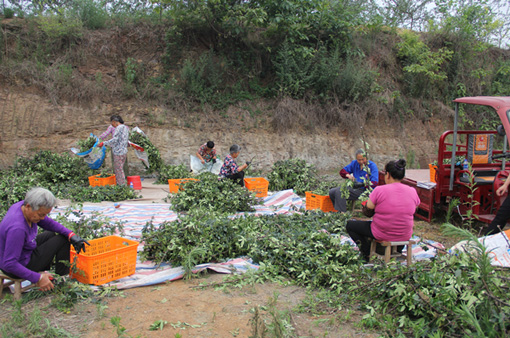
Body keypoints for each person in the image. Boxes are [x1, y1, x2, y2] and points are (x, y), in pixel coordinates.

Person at [0, 188, 89, 291]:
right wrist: (38, 278)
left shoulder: (22, 206)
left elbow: (47, 223)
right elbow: (10, 264)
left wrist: (70, 234)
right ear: (29, 206)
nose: (42, 218)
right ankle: (62, 279)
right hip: (17, 267)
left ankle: (53, 274)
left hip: (23, 251)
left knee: (52, 234)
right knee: (62, 240)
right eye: (41, 215)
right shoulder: (17, 229)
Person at [345, 159, 420, 261]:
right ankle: (397, 251)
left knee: (351, 225)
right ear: (403, 176)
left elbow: (368, 210)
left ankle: (366, 253)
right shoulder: (412, 191)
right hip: (405, 234)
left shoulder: (380, 190)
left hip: (382, 233)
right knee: (396, 227)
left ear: (387, 175)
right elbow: (414, 208)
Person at [97, 115, 129, 186]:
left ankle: (121, 185)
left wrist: (104, 143)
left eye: (112, 123)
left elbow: (115, 139)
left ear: (114, 122)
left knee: (118, 170)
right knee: (120, 168)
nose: (112, 125)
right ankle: (122, 184)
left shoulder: (118, 128)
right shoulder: (125, 128)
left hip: (118, 152)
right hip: (124, 152)